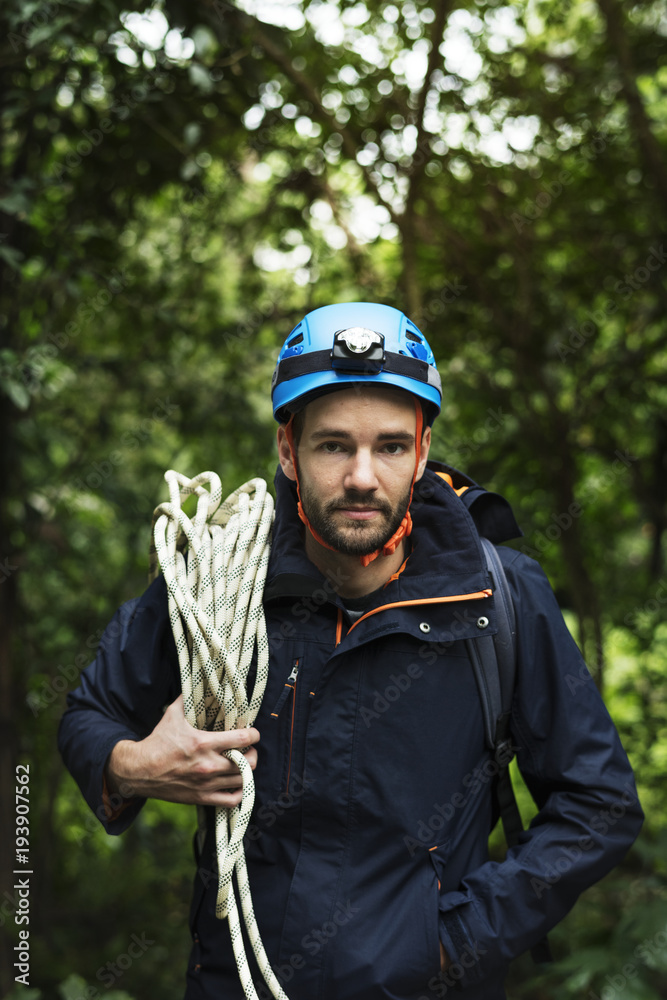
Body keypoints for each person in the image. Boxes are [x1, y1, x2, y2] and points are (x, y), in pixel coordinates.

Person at [58, 302, 643, 1000]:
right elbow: (88, 714)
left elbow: (597, 802)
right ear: (288, 450)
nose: (362, 476)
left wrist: (454, 942)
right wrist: (130, 766)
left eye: (390, 447)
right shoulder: (215, 579)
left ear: (422, 452)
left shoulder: (497, 598)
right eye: (334, 445)